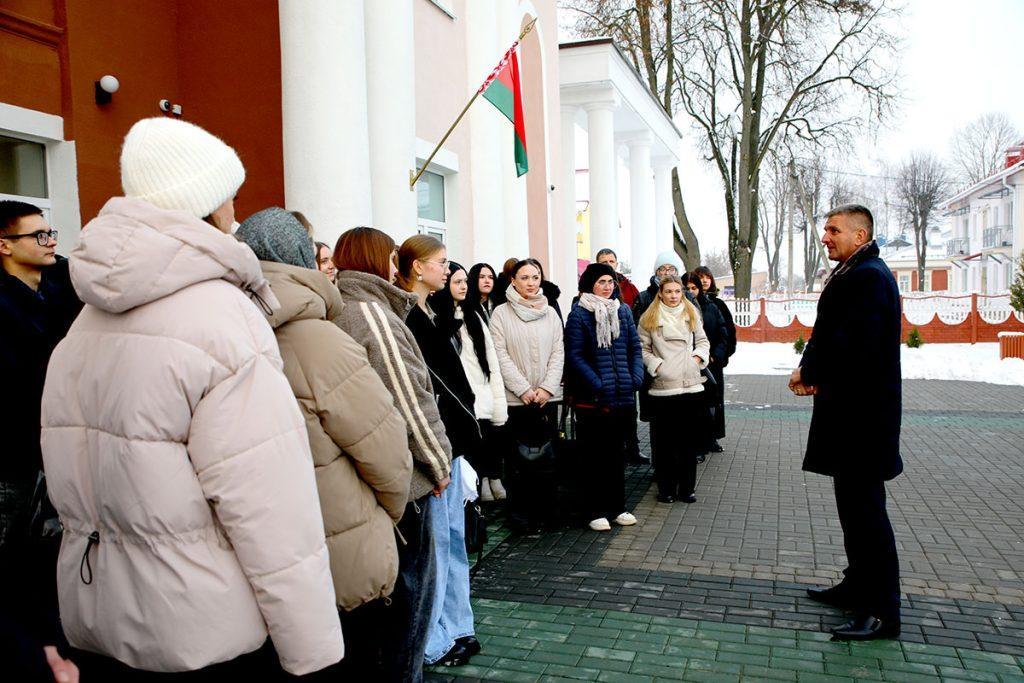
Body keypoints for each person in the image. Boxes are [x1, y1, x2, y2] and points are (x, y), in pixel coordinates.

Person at [39, 117, 343, 678]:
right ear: (206, 202)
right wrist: (312, 649)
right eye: (229, 193)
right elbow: (267, 500)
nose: (235, 207)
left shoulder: (85, 319)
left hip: (97, 610)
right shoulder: (220, 315)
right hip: (201, 626)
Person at [236, 209, 413, 677]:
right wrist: (383, 515)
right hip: (341, 551)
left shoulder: (224, 330)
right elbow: (387, 451)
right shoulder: (318, 341)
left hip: (256, 559)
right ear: (300, 259)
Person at [332, 227, 452, 682]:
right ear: (380, 260)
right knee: (411, 597)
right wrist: (439, 464)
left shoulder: (338, 308)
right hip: (407, 481)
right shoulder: (372, 315)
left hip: (360, 479)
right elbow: (410, 399)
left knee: (380, 598)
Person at [789, 204, 902, 641]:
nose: (825, 237)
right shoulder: (856, 271)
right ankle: (858, 585)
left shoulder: (869, 276)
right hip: (851, 415)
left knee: (868, 516)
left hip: (863, 420)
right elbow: (830, 332)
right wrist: (811, 371)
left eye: (834, 230)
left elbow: (850, 343)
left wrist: (809, 373)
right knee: (853, 511)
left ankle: (881, 612)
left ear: (860, 235)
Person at [0, 200, 82, 682]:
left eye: (52, 234)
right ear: (6, 246)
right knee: (14, 561)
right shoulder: (5, 305)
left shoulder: (56, 290)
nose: (51, 243)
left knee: (48, 559)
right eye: (40, 236)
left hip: (55, 448)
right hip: (14, 456)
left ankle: (53, 644)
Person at [395, 235, 481, 669]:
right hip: (435, 450)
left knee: (452, 542)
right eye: (440, 262)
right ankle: (436, 639)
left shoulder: (430, 311)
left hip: (450, 444)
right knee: (436, 551)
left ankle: (458, 627)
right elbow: (424, 393)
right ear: (416, 267)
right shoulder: (406, 316)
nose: (447, 270)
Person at [563, 263, 644, 532]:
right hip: (593, 398)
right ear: (590, 285)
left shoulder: (622, 311)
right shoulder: (579, 315)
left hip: (622, 395)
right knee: (594, 456)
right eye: (601, 282)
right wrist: (597, 383)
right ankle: (594, 510)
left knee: (616, 455)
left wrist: (635, 378)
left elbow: (634, 347)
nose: (608, 286)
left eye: (611, 282)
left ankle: (617, 507)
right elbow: (574, 355)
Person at [489, 258, 565, 531]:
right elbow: (500, 355)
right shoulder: (501, 313)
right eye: (525, 278)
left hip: (547, 398)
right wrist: (523, 389)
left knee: (546, 461)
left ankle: (546, 513)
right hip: (517, 400)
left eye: (535, 277)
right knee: (518, 462)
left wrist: (547, 388)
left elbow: (558, 352)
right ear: (513, 280)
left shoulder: (551, 313)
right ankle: (520, 516)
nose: (531, 283)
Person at [433, 261, 509, 501]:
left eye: (465, 281)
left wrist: (497, 400)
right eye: (457, 281)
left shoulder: (473, 315)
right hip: (458, 398)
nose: (463, 286)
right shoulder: (437, 317)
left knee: (486, 442)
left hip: (483, 392)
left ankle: (488, 480)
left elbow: (491, 360)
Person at [637, 275, 710, 504]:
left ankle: (687, 489)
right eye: (669, 291)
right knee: (665, 443)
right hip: (663, 388)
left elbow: (703, 341)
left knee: (688, 442)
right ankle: (666, 489)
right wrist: (657, 366)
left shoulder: (691, 313)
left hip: (691, 385)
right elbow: (642, 349)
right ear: (661, 292)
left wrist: (696, 359)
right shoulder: (649, 317)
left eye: (677, 291)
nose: (673, 296)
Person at [596, 248, 645, 464]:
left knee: (629, 413)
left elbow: (636, 326)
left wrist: (636, 374)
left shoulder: (628, 288)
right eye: (603, 261)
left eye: (611, 261)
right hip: (603, 368)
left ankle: (632, 449)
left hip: (624, 364)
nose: (608, 264)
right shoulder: (588, 291)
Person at [682, 272, 728, 460]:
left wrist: (715, 356)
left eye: (694, 288)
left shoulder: (712, 307)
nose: (691, 291)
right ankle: (697, 446)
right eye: (688, 288)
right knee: (694, 409)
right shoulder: (680, 308)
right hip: (687, 366)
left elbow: (723, 333)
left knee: (710, 405)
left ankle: (708, 440)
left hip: (709, 364)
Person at [694, 266, 736, 451]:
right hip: (694, 362)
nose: (704, 281)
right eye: (700, 278)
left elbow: (727, 333)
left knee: (714, 401)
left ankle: (713, 437)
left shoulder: (718, 305)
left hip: (713, 362)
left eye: (707, 277)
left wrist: (719, 356)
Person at [633, 250, 684, 323]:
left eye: (672, 269)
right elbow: (636, 324)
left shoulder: (687, 296)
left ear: (676, 272)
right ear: (656, 271)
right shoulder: (643, 298)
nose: (667, 273)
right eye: (662, 269)